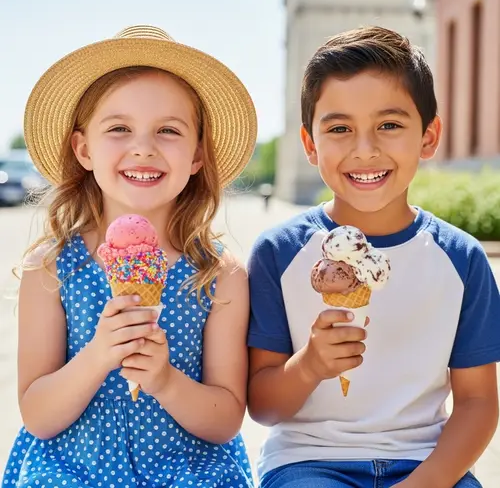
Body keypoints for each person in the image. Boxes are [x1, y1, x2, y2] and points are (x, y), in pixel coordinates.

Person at [2, 25, 257, 488]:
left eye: (168, 130)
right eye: (119, 128)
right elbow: (37, 415)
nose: (143, 146)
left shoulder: (219, 276)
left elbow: (225, 420)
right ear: (84, 149)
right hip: (73, 468)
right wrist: (100, 354)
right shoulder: (52, 268)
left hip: (188, 468)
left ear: (198, 154)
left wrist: (165, 381)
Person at [246, 26, 500, 488]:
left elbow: (479, 403)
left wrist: (425, 482)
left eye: (389, 125)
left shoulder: (461, 259)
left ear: (428, 135)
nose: (365, 150)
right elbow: (262, 406)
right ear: (310, 145)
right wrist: (310, 365)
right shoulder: (279, 253)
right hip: (309, 462)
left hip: (427, 462)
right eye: (339, 129)